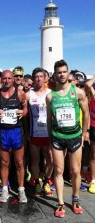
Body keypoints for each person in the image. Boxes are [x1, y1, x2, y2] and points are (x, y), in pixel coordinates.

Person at [46, 59, 90, 218]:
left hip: (75, 136)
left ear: (68, 72)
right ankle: (60, 202)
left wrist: (85, 132)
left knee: (75, 170)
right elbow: (49, 118)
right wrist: (50, 136)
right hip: (57, 137)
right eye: (59, 72)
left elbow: (86, 113)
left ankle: (75, 199)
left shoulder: (77, 92)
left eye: (64, 71)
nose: (62, 74)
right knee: (58, 170)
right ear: (55, 75)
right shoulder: (51, 96)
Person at [0, 70, 28, 203]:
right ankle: (5, 190)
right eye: (4, 79)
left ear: (13, 79)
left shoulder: (20, 93)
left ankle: (21, 190)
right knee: (4, 162)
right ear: (1, 80)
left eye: (9, 78)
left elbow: (25, 108)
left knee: (19, 162)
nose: (6, 81)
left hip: (16, 131)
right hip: (2, 132)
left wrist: (23, 112)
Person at [26, 68, 53, 196]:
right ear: (33, 78)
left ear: (45, 78)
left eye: (41, 76)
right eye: (36, 77)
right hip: (34, 132)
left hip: (48, 132)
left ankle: (47, 181)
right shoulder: (28, 94)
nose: (38, 79)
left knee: (50, 159)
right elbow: (24, 114)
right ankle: (37, 183)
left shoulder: (51, 93)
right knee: (35, 159)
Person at [85, 76, 95, 193]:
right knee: (93, 155)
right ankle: (93, 180)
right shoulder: (93, 94)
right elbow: (88, 85)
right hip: (94, 126)